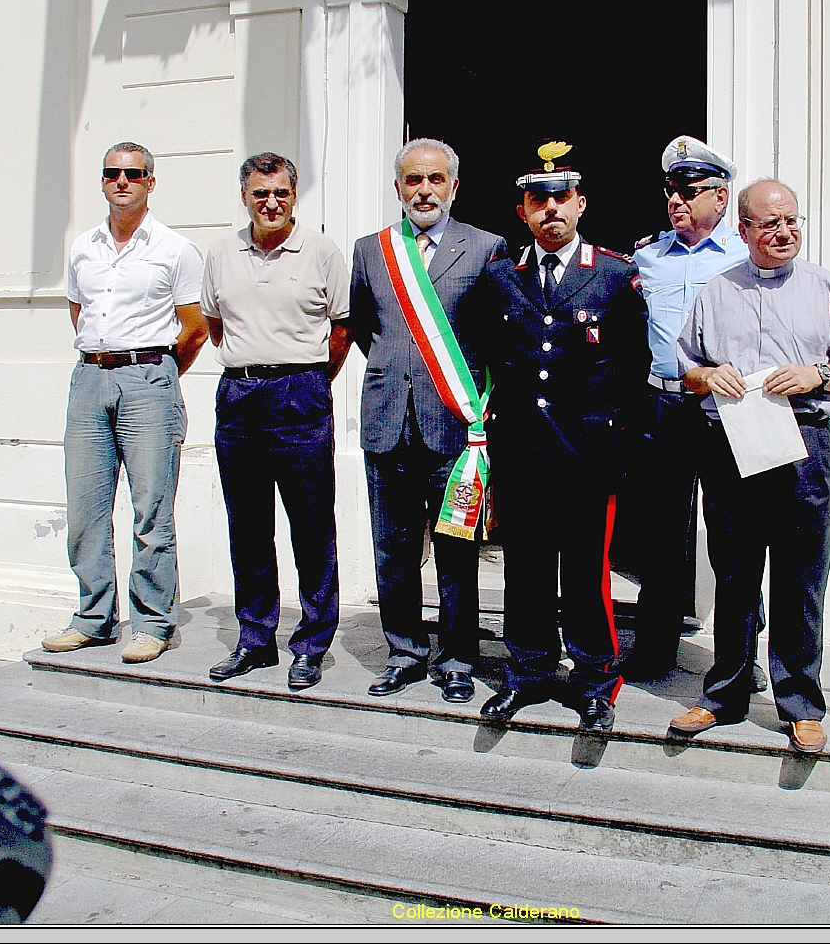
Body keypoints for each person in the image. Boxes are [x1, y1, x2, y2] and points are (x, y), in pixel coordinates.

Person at [670, 178, 830, 754]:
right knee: (734, 573)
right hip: (732, 440)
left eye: (792, 222)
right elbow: (686, 367)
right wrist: (707, 376)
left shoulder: (824, 287)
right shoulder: (717, 290)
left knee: (801, 575)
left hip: (804, 440)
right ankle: (725, 694)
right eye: (769, 223)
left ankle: (800, 704)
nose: (783, 233)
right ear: (744, 229)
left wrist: (818, 375)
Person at [476, 140, 649, 731]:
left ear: (580, 205)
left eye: (561, 198)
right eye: (537, 200)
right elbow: (489, 361)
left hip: (587, 455)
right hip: (522, 451)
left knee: (585, 574)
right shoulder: (500, 278)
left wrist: (620, 450)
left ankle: (597, 678)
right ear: (523, 210)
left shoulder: (614, 276)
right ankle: (526, 672)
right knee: (523, 568)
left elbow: (633, 372)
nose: (550, 209)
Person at [338, 139, 509, 702]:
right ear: (398, 188)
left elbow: (493, 335)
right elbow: (366, 327)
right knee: (393, 546)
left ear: (454, 186)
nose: (424, 190)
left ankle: (458, 657)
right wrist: (400, 373)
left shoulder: (485, 247)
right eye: (413, 180)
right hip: (388, 421)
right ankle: (405, 651)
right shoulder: (371, 251)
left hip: (455, 426)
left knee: (457, 549)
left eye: (435, 179)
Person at [43, 142, 207, 664]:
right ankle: (93, 618)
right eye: (112, 173)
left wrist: (151, 371)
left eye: (133, 174)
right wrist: (106, 359)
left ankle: (152, 621)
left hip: (148, 381)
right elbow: (79, 311)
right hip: (89, 377)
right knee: (85, 510)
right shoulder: (83, 247)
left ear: (150, 182)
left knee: (150, 511)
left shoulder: (175, 249)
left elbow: (195, 328)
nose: (121, 182)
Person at [200, 153, 349, 689]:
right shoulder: (220, 252)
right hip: (239, 394)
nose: (271, 202)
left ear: (294, 195)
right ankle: (255, 638)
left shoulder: (322, 251)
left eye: (282, 192)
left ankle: (311, 643)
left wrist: (302, 381)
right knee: (249, 525)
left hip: (300, 394)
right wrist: (255, 367)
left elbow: (341, 330)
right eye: (260, 193)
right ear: (244, 195)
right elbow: (215, 324)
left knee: (311, 526)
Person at [615, 135, 753, 683]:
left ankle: (738, 660)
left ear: (720, 198)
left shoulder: (747, 257)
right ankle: (653, 648)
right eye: (671, 190)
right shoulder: (646, 257)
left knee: (734, 541)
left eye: (690, 191)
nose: (676, 201)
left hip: (730, 409)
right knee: (661, 538)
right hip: (664, 408)